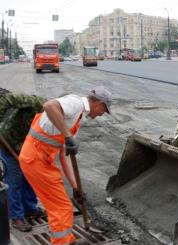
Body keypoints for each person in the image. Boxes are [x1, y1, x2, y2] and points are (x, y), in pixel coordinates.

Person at [19, 86, 112, 245]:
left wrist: (76, 187)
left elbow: (64, 156)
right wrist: (68, 136)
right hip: (36, 160)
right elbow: (49, 105)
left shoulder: (78, 116)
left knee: (61, 206)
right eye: (104, 110)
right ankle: (62, 242)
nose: (102, 114)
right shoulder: (76, 103)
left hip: (42, 161)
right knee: (61, 208)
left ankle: (66, 240)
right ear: (99, 103)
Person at [0, 88, 46, 232]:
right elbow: (8, 99)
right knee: (14, 182)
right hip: (9, 143)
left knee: (30, 179)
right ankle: (17, 217)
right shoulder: (36, 104)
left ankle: (30, 209)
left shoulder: (56, 122)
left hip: (26, 148)